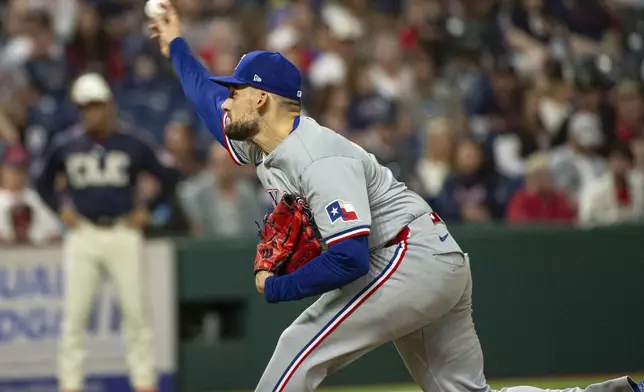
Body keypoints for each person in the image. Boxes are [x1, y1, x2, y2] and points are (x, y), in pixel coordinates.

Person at [150, 4, 642, 392]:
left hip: (406, 257)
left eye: (235, 90)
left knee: (299, 344)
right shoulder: (259, 141)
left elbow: (348, 258)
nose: (227, 98)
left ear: (261, 99)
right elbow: (203, 97)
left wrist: (276, 288)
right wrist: (176, 45)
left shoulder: (318, 156)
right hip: (430, 259)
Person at [35, 72, 180, 392]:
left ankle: (144, 382)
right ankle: (69, 385)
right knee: (74, 316)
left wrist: (148, 210)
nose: (92, 112)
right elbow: (42, 183)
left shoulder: (131, 142)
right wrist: (61, 210)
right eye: (86, 106)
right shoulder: (66, 144)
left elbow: (168, 176)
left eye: (97, 105)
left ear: (109, 105)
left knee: (136, 313)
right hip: (83, 233)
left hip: (121, 231)